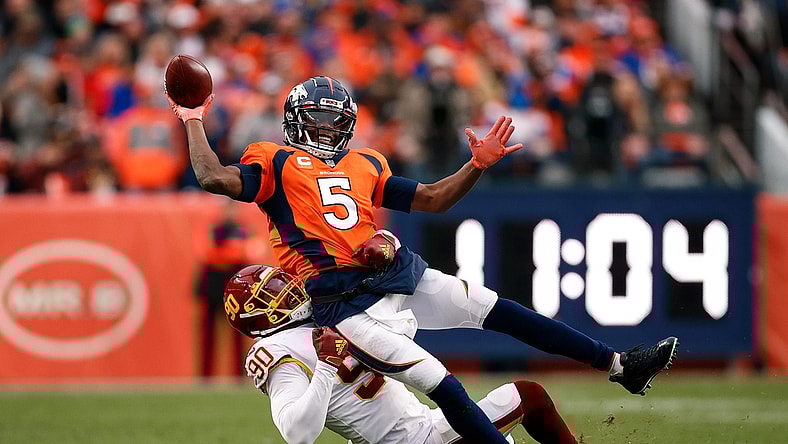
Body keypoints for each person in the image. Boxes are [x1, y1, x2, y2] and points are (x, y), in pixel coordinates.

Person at [166, 75, 678, 443]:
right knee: (439, 381)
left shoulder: (367, 161)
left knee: (495, 308)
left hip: (395, 272)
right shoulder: (272, 160)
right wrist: (192, 119)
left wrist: (475, 166)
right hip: (341, 304)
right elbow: (212, 177)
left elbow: (432, 198)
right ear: (294, 122)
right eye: (316, 120)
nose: (324, 130)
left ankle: (619, 364)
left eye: (333, 121)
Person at [226, 264, 578, 444]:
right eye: (273, 294)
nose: (290, 292)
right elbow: (297, 433)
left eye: (283, 285)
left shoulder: (326, 315)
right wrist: (327, 367)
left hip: (422, 427)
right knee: (529, 397)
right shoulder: (274, 350)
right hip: (413, 440)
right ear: (255, 316)